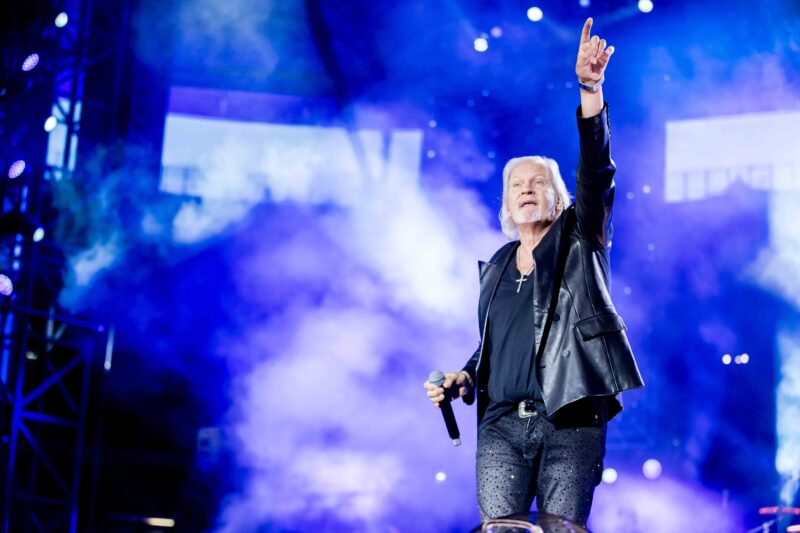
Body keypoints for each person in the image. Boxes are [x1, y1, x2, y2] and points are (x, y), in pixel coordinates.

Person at [423, 18, 644, 526]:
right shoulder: (498, 266)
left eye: (538, 182)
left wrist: (590, 90)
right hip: (500, 426)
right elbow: (499, 344)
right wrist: (464, 376)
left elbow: (597, 172)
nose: (526, 187)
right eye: (516, 184)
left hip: (570, 417)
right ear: (505, 205)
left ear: (559, 198)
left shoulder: (581, 237)